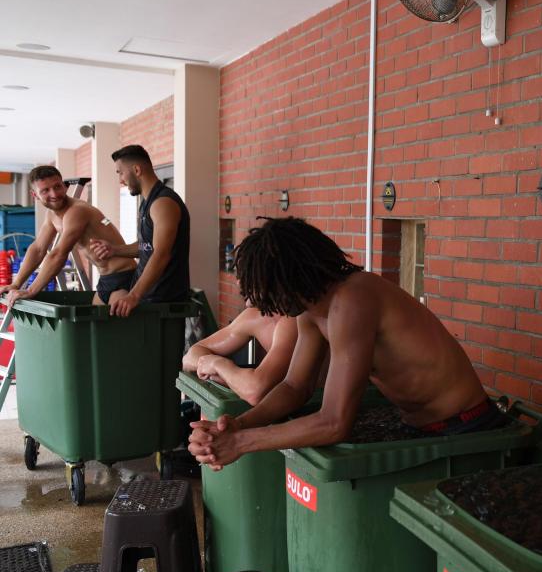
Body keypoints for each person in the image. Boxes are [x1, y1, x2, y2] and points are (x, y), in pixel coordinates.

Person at [188, 217, 506, 468]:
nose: (264, 305)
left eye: (273, 292)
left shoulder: (352, 300)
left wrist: (242, 444)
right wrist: (237, 426)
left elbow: (334, 423)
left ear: (296, 276)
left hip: (467, 427)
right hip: (421, 426)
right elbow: (294, 387)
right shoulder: (311, 310)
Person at [1, 166, 136, 306]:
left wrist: (31, 291)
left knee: (112, 326)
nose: (54, 194)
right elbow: (38, 249)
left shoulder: (77, 211)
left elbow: (59, 254)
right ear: (35, 195)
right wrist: (16, 284)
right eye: (45, 190)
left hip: (124, 276)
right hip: (105, 278)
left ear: (64, 187)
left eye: (57, 186)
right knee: (94, 325)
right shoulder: (51, 215)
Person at [88, 145, 190, 316]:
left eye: (120, 172)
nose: (120, 179)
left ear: (136, 169)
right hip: (147, 296)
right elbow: (146, 246)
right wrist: (115, 250)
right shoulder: (147, 203)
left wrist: (133, 295)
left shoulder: (163, 203)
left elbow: (161, 254)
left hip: (162, 301)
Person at [182, 305, 298, 406]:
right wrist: (226, 374)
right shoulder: (254, 315)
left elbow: (254, 391)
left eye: (244, 278)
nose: (238, 282)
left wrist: (218, 365)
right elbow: (189, 357)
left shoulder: (295, 320)